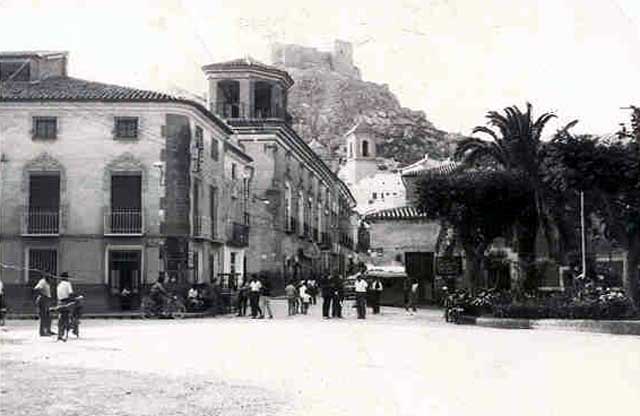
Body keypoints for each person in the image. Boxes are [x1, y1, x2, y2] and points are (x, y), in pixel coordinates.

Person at [56, 272, 75, 340]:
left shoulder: (59, 285)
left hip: (59, 302)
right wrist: (74, 298)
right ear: (66, 278)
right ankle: (71, 329)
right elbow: (70, 293)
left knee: (61, 318)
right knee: (68, 317)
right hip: (66, 301)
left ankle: (60, 333)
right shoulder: (68, 284)